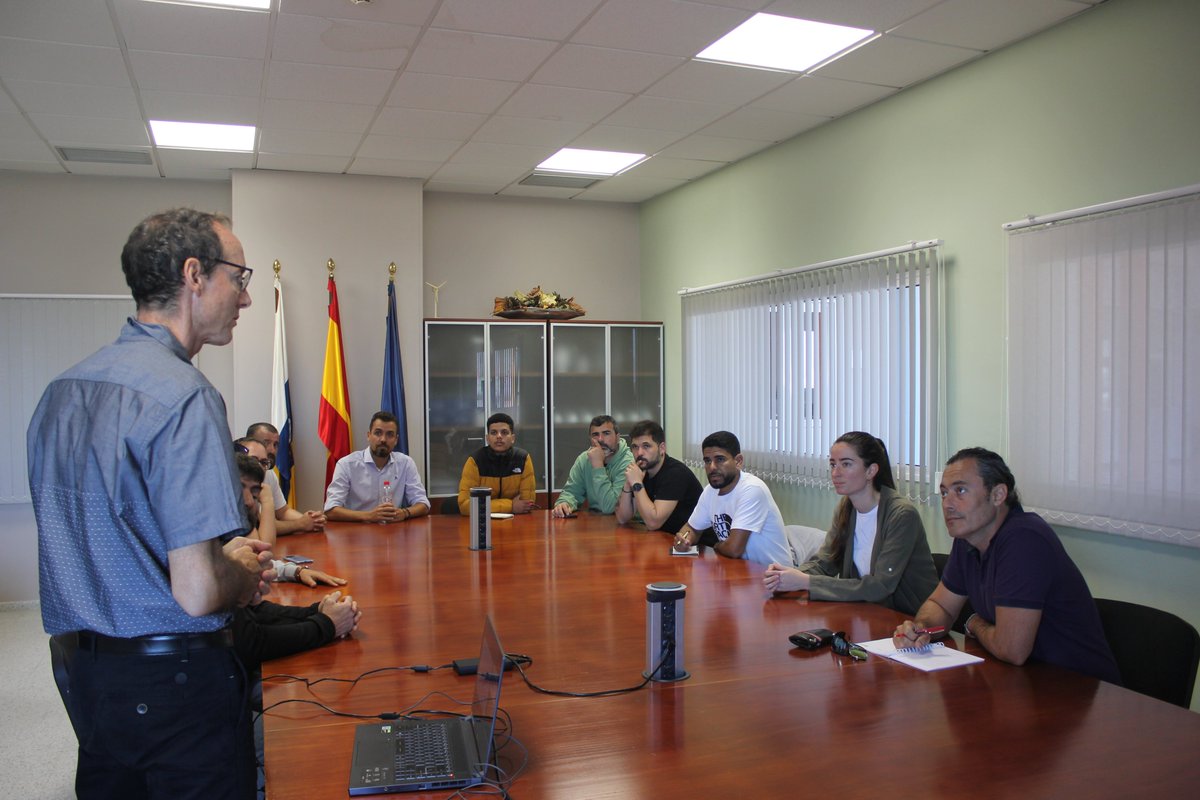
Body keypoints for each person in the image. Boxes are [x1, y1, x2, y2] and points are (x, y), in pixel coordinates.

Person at [27, 208, 273, 799]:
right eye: (238, 277)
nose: (244, 298)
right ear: (194, 274)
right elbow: (197, 591)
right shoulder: (186, 397)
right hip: (176, 685)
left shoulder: (61, 390)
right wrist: (239, 571)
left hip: (87, 677)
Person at [893, 447, 1121, 684]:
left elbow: (1012, 649)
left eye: (960, 491)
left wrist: (975, 623)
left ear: (998, 494)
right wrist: (921, 629)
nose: (947, 504)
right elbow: (941, 605)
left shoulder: (1025, 539)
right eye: (943, 493)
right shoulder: (968, 537)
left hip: (1079, 690)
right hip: (1022, 681)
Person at [762, 432, 938, 616]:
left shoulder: (901, 515)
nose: (836, 473)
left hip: (908, 621)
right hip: (864, 613)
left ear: (871, 471)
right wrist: (786, 575)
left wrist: (805, 582)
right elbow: (825, 563)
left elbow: (880, 586)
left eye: (846, 464)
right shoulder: (846, 508)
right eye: (833, 465)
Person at [232, 453, 360, 668]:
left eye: (254, 494)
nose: (247, 501)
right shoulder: (202, 543)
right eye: (239, 488)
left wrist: (315, 611)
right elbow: (252, 642)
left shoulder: (225, 536)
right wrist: (327, 625)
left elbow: (254, 612)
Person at [672, 431, 792, 566]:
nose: (712, 467)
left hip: (774, 577)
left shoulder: (752, 489)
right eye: (707, 461)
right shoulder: (710, 491)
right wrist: (683, 541)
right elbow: (692, 528)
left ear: (738, 461)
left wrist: (717, 545)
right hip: (739, 571)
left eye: (720, 459)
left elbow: (734, 549)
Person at [325, 411, 430, 523]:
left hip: (393, 531)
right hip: (356, 532)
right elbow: (330, 510)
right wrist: (368, 516)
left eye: (390, 434)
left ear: (396, 440)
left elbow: (423, 504)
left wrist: (404, 513)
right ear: (369, 436)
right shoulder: (347, 465)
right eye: (378, 433)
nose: (383, 439)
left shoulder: (406, 463)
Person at [615, 420, 703, 534]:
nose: (639, 453)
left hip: (696, 546)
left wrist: (636, 483)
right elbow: (622, 518)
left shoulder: (675, 473)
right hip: (665, 539)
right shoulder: (641, 471)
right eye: (635, 447)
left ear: (662, 448)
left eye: (646, 446)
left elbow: (653, 523)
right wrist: (628, 484)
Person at [245, 422, 326, 535]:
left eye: (276, 445)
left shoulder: (269, 474)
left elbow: (283, 511)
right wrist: (301, 524)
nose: (272, 450)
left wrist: (312, 520)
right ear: (249, 443)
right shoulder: (241, 477)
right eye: (266, 442)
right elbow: (262, 525)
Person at [552, 415, 633, 517]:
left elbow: (611, 507)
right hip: (595, 520)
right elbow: (571, 492)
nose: (600, 439)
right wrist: (564, 503)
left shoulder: (628, 462)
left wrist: (598, 465)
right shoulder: (584, 459)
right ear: (590, 439)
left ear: (617, 437)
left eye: (606, 433)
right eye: (595, 435)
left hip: (623, 524)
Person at [457, 412, 537, 515]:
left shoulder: (523, 459)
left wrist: (484, 505)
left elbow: (527, 504)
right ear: (487, 438)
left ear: (512, 438)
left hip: (516, 522)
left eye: (504, 432)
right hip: (483, 523)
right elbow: (464, 505)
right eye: (494, 433)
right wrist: (511, 506)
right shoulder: (475, 461)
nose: (499, 436)